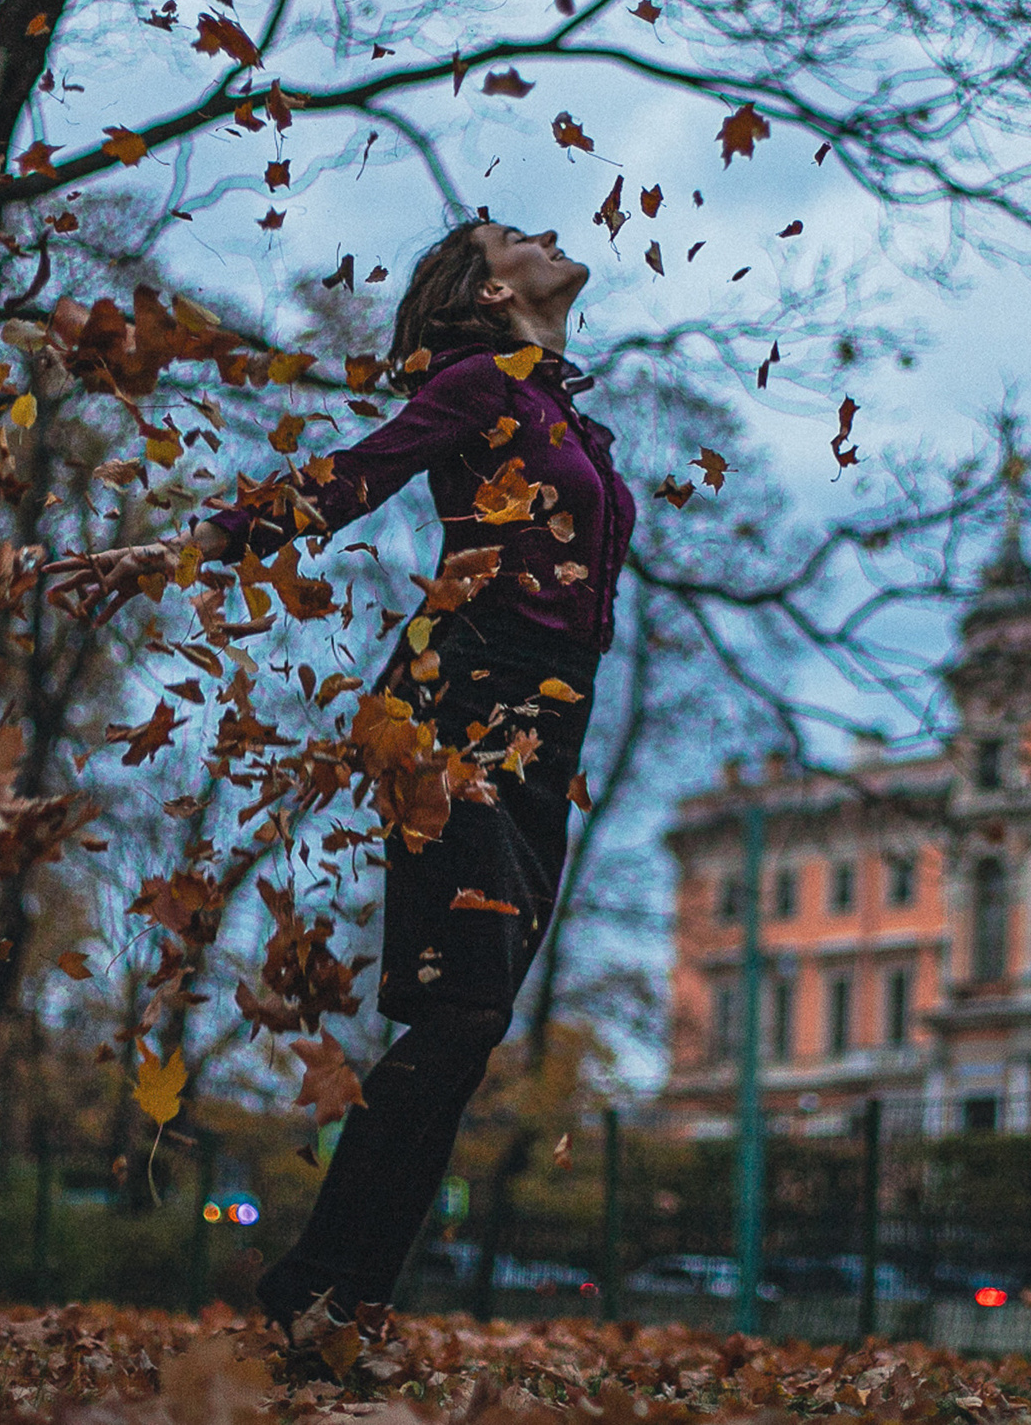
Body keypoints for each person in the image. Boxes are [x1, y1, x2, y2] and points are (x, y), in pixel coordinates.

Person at [46, 217, 636, 1339]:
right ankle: (321, 1291)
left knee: (473, 1020)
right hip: (459, 702)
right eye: (516, 234)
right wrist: (184, 551)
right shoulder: (479, 383)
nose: (549, 234)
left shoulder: (559, 410)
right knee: (462, 1006)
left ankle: (342, 1300)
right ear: (489, 291)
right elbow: (347, 481)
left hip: (546, 728)